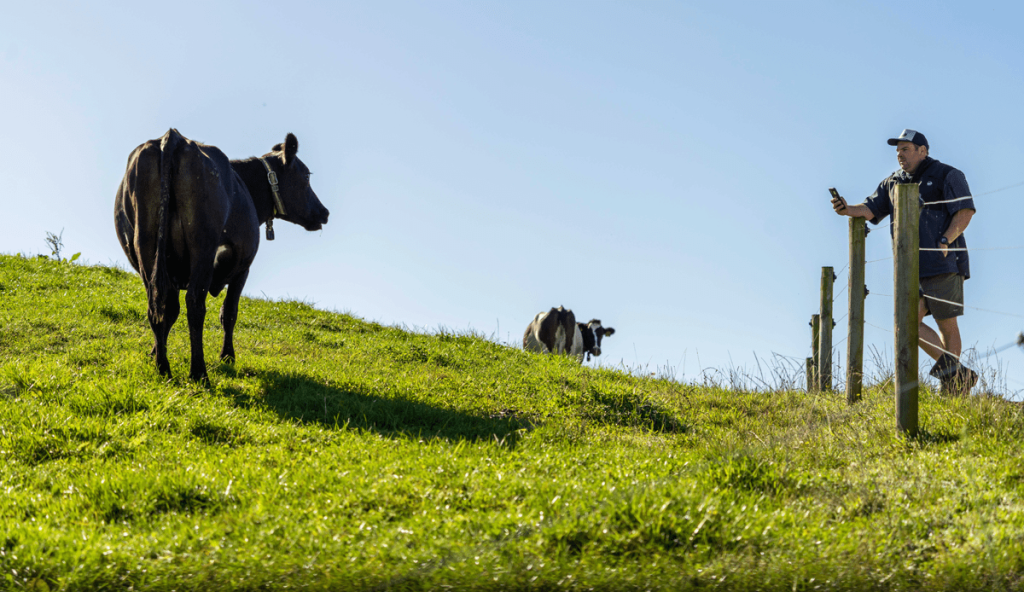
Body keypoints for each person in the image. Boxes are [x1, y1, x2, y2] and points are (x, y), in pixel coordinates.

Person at [831, 129, 977, 395]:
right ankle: (957, 376)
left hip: (943, 263)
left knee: (947, 323)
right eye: (898, 151)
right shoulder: (892, 182)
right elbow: (870, 209)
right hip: (907, 269)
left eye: (906, 149)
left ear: (923, 150)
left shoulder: (948, 174)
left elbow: (964, 212)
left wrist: (946, 239)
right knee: (905, 324)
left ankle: (954, 386)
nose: (900, 155)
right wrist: (847, 209)